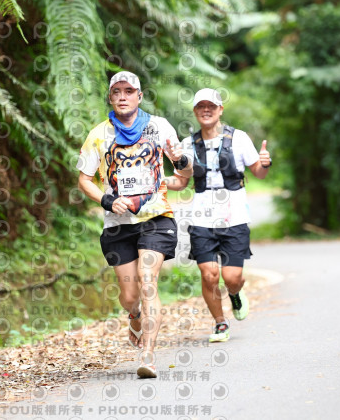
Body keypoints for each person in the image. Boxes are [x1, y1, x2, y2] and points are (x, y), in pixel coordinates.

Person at [77, 71, 192, 378]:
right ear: (110, 97)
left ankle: (148, 355)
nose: (123, 96)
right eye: (117, 91)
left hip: (156, 218)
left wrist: (181, 160)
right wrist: (107, 200)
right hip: (118, 224)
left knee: (148, 280)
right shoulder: (98, 135)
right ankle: (134, 314)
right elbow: (84, 179)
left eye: (129, 91)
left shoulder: (160, 127)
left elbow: (184, 177)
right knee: (130, 296)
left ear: (139, 96)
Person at [166, 88, 271, 343]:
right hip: (201, 219)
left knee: (232, 278)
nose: (206, 110)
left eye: (211, 106)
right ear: (195, 111)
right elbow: (182, 181)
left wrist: (265, 162)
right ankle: (220, 323)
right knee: (209, 274)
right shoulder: (188, 144)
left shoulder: (239, 138)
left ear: (220, 110)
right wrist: (159, 180)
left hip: (235, 216)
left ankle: (235, 293)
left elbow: (258, 172)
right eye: (201, 106)